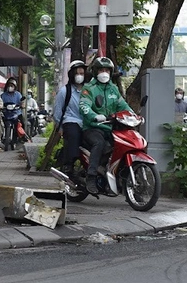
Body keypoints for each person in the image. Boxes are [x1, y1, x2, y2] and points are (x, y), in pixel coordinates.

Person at [79, 57, 134, 195]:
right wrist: (94, 116)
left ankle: (119, 180)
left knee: (123, 145)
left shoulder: (113, 89)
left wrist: (133, 115)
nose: (104, 73)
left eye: (107, 70)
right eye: (101, 70)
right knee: (99, 143)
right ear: (95, 72)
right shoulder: (89, 88)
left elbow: (123, 105)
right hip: (93, 127)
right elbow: (84, 106)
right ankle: (91, 176)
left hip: (111, 128)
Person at [53, 60, 87, 177]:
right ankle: (69, 166)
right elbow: (57, 112)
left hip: (87, 123)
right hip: (70, 121)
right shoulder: (64, 91)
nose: (79, 76)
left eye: (82, 73)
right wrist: (60, 127)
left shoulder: (89, 90)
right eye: (77, 73)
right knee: (73, 136)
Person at [0, 77, 23, 149]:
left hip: (16, 112)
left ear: (15, 87)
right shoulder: (3, 95)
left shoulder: (18, 95)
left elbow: (21, 102)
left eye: (12, 86)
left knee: (22, 123)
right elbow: (0, 103)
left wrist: (22, 105)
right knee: (0, 123)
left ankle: (20, 138)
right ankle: (1, 138)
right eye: (9, 85)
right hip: (6, 113)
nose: (10, 87)